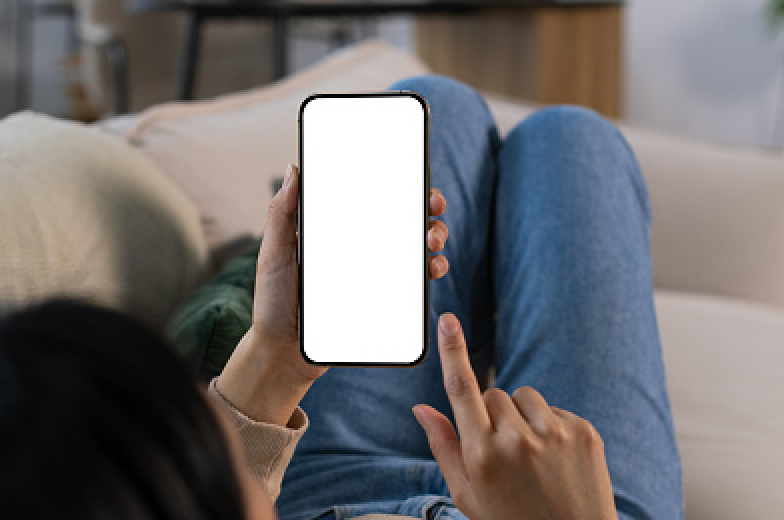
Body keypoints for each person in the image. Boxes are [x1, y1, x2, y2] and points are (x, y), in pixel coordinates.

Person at [0, 75, 682, 520]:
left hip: (326, 491)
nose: (212, 412)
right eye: (197, 428)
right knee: (573, 139)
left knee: (430, 102)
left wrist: (274, 357)